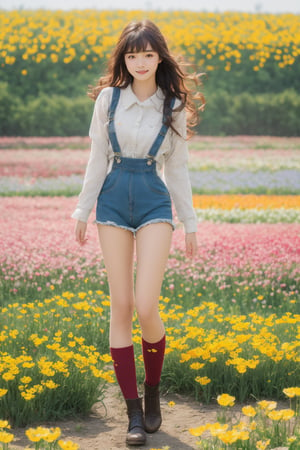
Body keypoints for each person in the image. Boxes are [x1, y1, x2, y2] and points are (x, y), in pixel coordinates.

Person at [72, 19, 202, 447]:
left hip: (153, 201)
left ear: (159, 56)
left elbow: (177, 169)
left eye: (147, 54)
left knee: (146, 304)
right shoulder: (108, 100)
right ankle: (132, 412)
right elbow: (96, 157)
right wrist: (81, 209)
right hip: (111, 201)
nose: (140, 62)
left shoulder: (174, 106)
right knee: (121, 304)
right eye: (132, 55)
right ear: (123, 59)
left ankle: (152, 392)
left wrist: (190, 223)